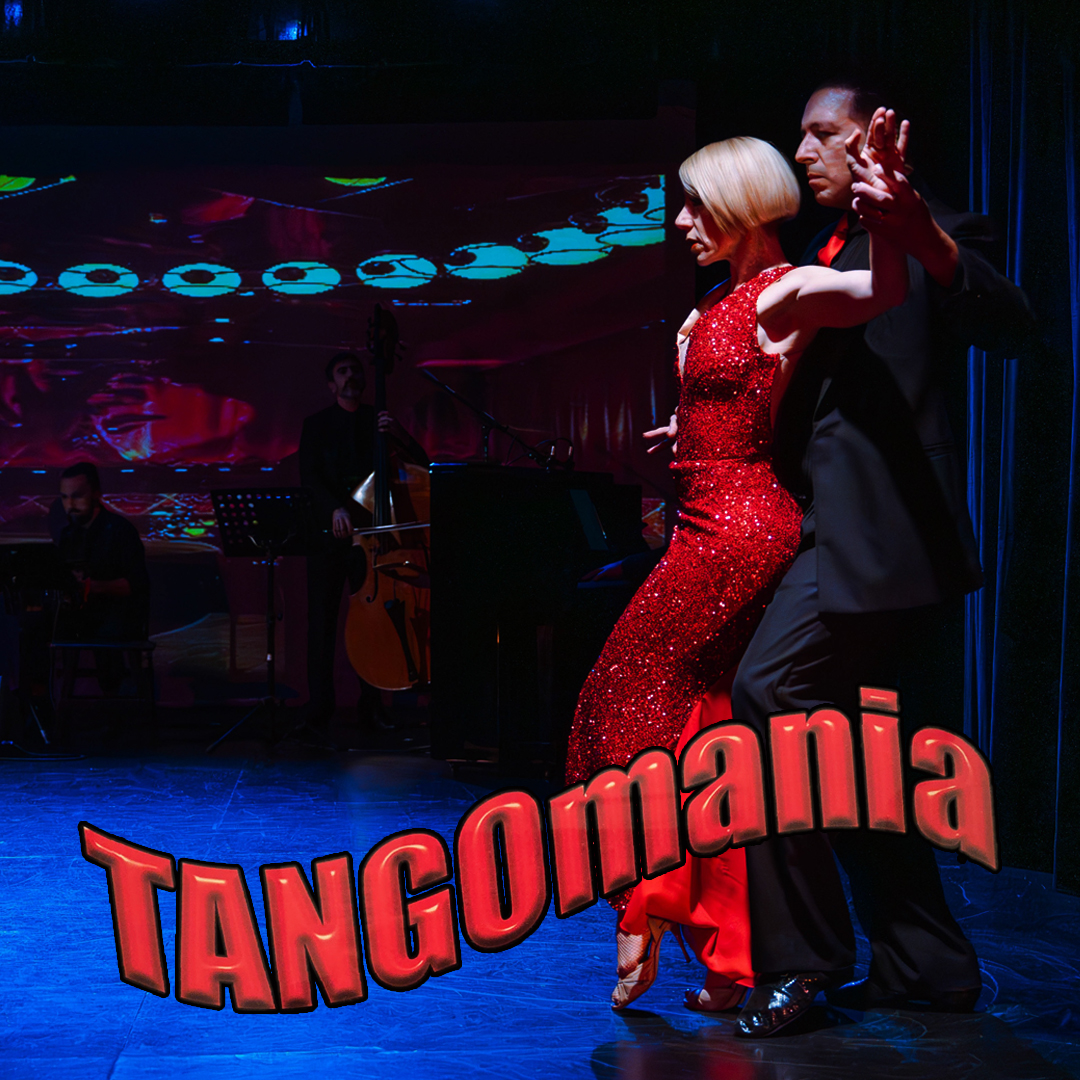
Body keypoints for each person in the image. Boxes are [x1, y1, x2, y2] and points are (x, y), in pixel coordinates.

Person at [563, 133, 910, 1012]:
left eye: (697, 205)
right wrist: (687, 431)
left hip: (743, 529)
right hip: (698, 523)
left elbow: (881, 291)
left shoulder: (784, 290)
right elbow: (725, 405)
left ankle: (644, 905)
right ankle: (730, 956)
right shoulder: (710, 303)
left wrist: (891, 219)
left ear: (743, 203)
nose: (681, 222)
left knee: (622, 693)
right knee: (710, 729)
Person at [729, 85, 1035, 1037]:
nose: (803, 150)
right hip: (837, 534)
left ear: (876, 135)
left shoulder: (932, 227)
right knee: (868, 759)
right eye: (801, 134)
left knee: (767, 696)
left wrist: (918, 231)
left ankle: (801, 962)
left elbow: (1012, 324)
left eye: (823, 133)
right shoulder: (826, 246)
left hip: (888, 539)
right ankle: (926, 966)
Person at [298, 351, 427, 736]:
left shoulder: (379, 421)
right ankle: (320, 710)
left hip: (373, 540)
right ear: (331, 385)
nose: (351, 375)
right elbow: (310, 477)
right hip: (330, 537)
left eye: (355, 370)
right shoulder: (316, 425)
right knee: (321, 624)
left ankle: (372, 708)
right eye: (342, 371)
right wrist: (334, 509)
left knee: (375, 624)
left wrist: (400, 434)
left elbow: (422, 465)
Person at [55, 462, 149, 692]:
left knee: (105, 632)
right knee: (33, 629)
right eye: (65, 497)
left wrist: (89, 587)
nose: (70, 505)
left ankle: (111, 703)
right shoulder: (68, 535)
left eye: (77, 496)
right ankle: (39, 700)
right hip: (83, 617)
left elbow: (136, 584)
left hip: (118, 617)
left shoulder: (120, 530)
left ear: (96, 493)